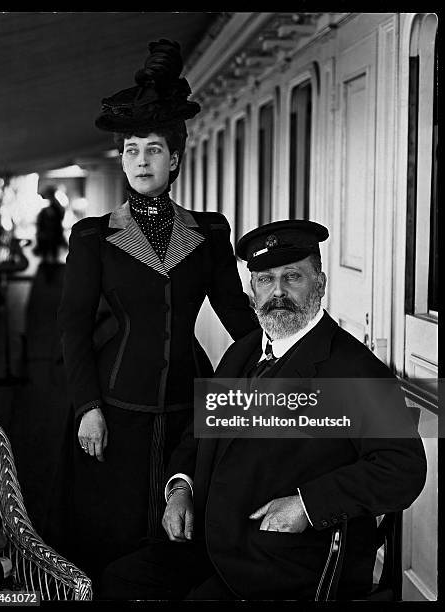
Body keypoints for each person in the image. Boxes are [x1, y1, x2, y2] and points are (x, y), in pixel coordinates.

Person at [99, 219, 427, 600]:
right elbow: (199, 434)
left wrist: (307, 505)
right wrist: (180, 488)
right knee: (118, 580)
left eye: (293, 277)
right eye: (266, 280)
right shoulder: (242, 352)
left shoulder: (354, 369)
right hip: (213, 542)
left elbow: (403, 467)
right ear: (252, 293)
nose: (278, 292)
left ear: (319, 285)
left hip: (287, 561)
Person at [56, 39, 259, 582]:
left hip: (189, 406)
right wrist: (86, 407)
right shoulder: (95, 237)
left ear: (174, 158)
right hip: (114, 406)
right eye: (130, 151)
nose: (140, 162)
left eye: (152, 150)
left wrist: (281, 353)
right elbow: (73, 327)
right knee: (112, 532)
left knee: (180, 535)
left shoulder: (209, 232)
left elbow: (237, 316)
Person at [33, 185, 67, 265]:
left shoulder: (54, 207)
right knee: (47, 258)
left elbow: (60, 215)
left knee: (53, 257)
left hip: (53, 236)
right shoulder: (47, 207)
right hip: (46, 237)